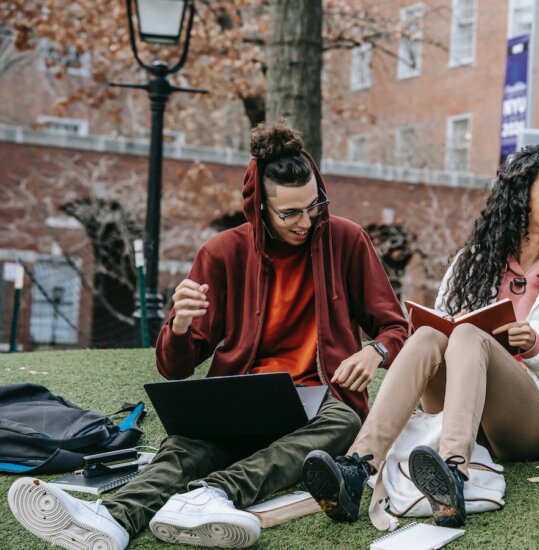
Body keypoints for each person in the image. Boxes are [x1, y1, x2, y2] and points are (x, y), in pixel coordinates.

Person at [7, 122, 408, 550]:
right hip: (241, 398)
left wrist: (375, 352)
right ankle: (113, 518)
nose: (307, 221)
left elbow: (395, 326)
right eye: (290, 212)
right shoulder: (221, 253)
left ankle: (211, 495)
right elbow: (174, 367)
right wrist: (179, 325)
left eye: (314, 206)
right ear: (259, 207)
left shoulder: (346, 240)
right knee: (183, 446)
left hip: (318, 402)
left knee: (344, 422)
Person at [300, 144, 539, 528]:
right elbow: (440, 337)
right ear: (522, 195)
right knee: (432, 334)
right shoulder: (472, 263)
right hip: (458, 408)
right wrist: (450, 324)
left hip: (529, 421)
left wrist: (536, 347)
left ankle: (453, 474)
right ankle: (357, 467)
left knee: (468, 337)